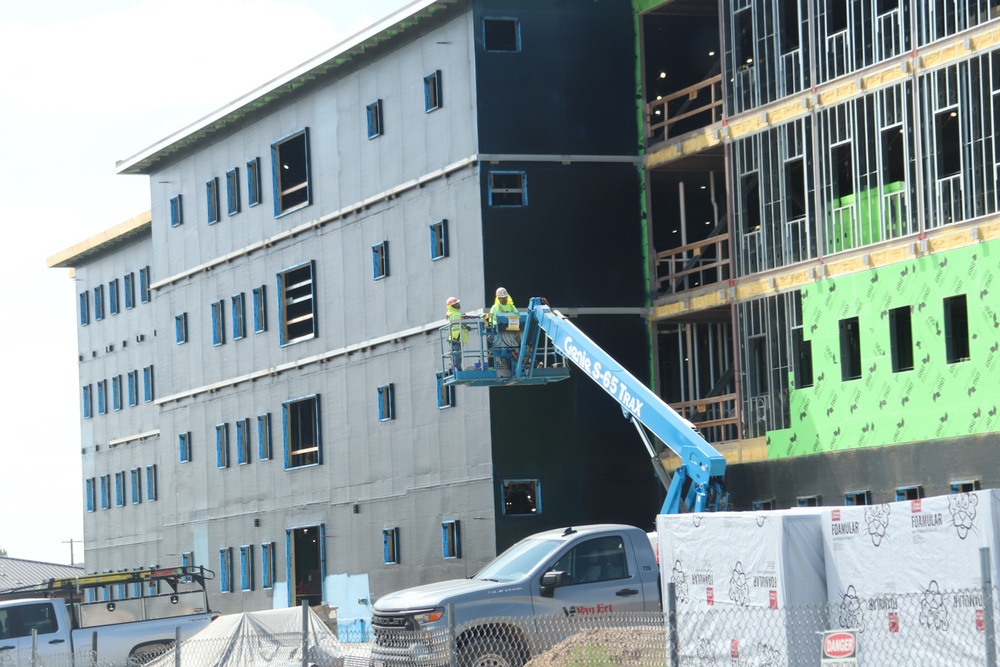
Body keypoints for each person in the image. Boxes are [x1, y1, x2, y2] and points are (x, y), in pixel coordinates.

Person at [489, 287, 521, 354]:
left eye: (505, 297)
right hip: (501, 333)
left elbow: (519, 317)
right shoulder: (495, 308)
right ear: (498, 298)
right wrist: (497, 324)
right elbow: (491, 320)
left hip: (513, 332)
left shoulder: (512, 307)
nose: (504, 299)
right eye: (502, 298)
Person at [446, 296, 467, 371]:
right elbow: (464, 322)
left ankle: (455, 368)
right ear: (452, 306)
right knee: (457, 355)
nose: (458, 305)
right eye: (456, 304)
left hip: (452, 338)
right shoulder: (456, 314)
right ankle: (456, 369)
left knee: (455, 355)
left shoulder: (450, 314)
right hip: (456, 338)